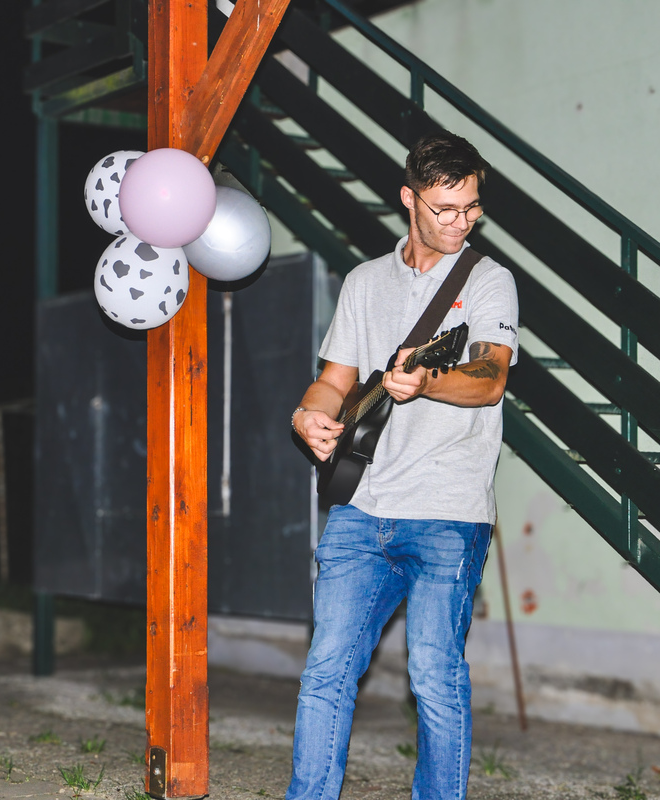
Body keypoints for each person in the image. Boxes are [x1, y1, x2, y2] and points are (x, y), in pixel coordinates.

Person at [288, 131, 519, 800]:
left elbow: (489, 378)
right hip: (362, 508)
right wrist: (308, 415)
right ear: (409, 200)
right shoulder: (364, 282)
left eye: (472, 207)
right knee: (326, 672)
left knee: (434, 678)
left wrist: (427, 381)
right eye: (445, 209)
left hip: (449, 511)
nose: (461, 222)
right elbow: (333, 382)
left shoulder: (489, 280)